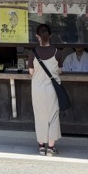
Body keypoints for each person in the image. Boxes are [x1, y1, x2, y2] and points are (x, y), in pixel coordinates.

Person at [28, 23, 63, 156]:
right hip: (53, 89)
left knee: (40, 116)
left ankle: (41, 146)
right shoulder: (57, 52)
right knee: (53, 117)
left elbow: (31, 72)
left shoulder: (32, 53)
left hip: (37, 88)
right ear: (51, 36)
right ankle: (51, 147)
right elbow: (59, 70)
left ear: (38, 37)